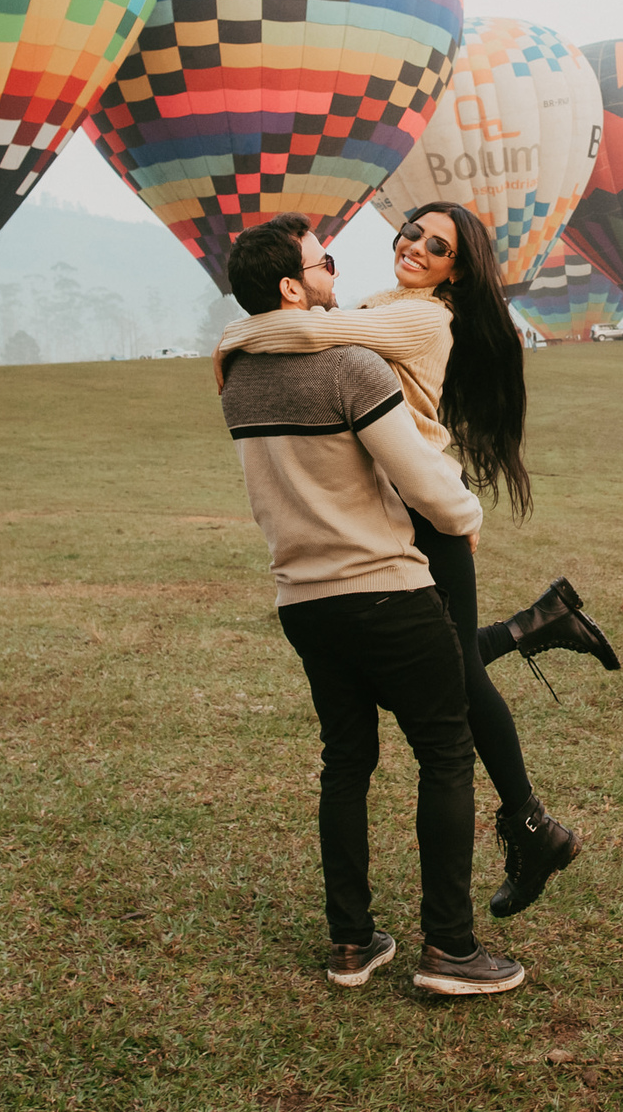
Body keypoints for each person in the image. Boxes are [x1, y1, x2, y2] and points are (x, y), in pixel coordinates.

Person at [216, 205, 620, 919]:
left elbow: (310, 328)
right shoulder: (375, 306)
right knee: (445, 662)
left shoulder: (425, 319)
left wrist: (229, 340)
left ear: (455, 270)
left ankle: (532, 829)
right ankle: (539, 625)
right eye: (413, 232)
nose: (417, 248)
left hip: (429, 502)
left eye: (439, 247)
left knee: (456, 677)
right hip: (387, 504)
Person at [221, 215, 525, 997]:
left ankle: (352, 942)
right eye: (322, 263)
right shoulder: (353, 365)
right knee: (446, 754)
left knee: (346, 763)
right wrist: (467, 519)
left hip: (301, 597)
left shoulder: (237, 374)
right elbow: (421, 479)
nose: (335, 270)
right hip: (383, 585)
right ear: (293, 287)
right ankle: (451, 950)